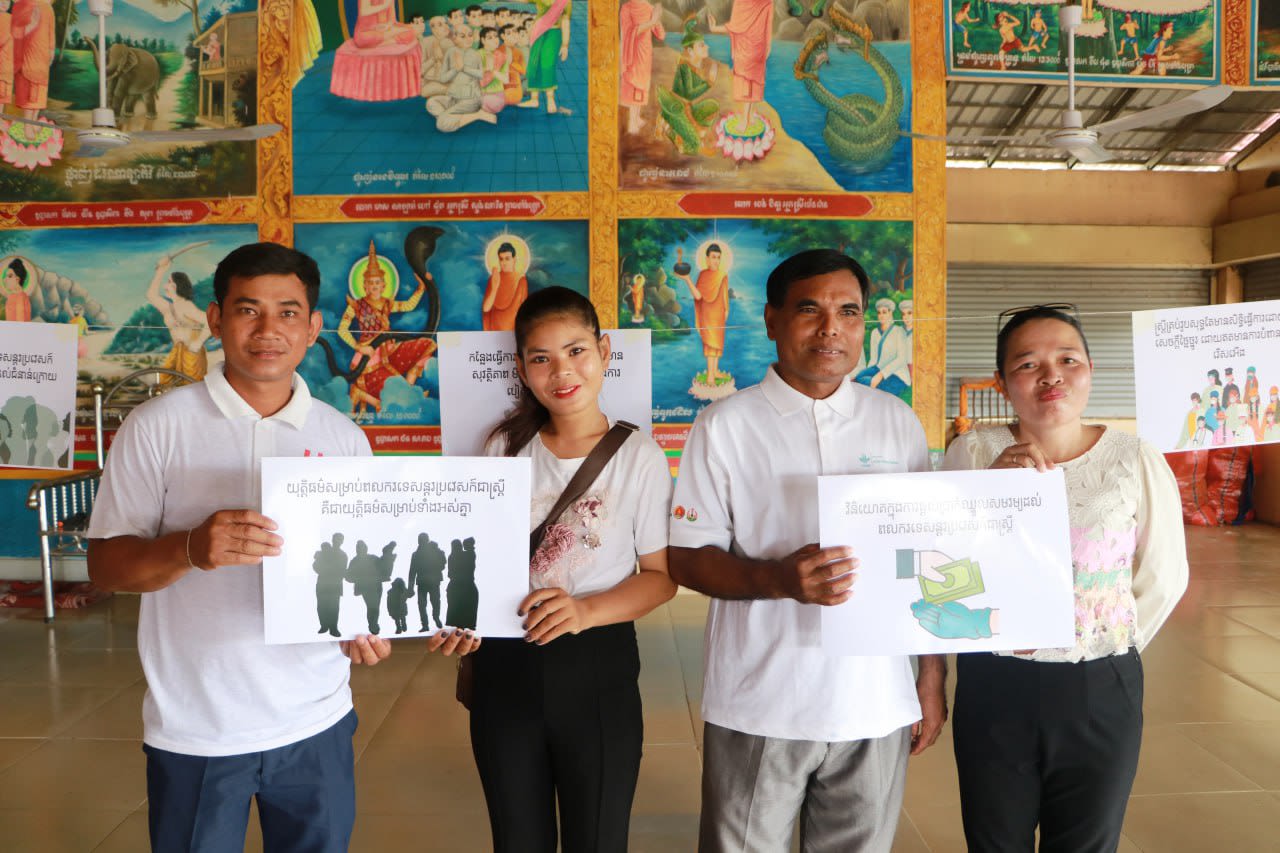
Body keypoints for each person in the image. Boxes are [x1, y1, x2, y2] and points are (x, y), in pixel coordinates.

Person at [85, 242, 482, 852]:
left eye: (288, 312)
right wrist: (191, 548)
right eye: (248, 310)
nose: (268, 330)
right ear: (216, 320)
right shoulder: (158, 426)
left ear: (314, 326)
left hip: (316, 721)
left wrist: (363, 625)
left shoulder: (342, 436)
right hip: (198, 729)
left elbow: (359, 572)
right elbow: (107, 567)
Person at [668, 249, 945, 852]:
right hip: (761, 700)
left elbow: (924, 555)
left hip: (876, 701)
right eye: (809, 310)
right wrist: (779, 580)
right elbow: (688, 556)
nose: (831, 328)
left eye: (849, 312)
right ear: (770, 320)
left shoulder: (896, 422)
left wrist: (930, 675)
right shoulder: (725, 426)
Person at [941, 304, 1188, 853]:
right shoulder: (972, 453)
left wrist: (1102, 641)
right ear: (1004, 385)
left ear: (1090, 371)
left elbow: (1164, 573)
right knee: (993, 839)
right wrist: (992, 494)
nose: (1051, 375)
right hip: (996, 681)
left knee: (1086, 841)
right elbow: (946, 563)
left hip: (1102, 684)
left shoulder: (1135, 458)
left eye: (1067, 359)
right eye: (1027, 364)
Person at [470, 286, 676, 852]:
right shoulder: (502, 448)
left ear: (605, 351)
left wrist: (583, 610)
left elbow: (660, 578)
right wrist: (457, 618)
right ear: (520, 368)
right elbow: (478, 561)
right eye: (541, 358)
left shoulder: (639, 456)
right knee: (517, 838)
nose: (562, 371)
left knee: (599, 838)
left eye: (577, 350)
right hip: (506, 669)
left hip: (598, 668)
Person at [336, 241, 436, 418]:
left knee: (425, 344)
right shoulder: (357, 305)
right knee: (392, 393)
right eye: (370, 283)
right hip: (369, 360)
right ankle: (399, 394)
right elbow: (342, 329)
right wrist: (358, 347)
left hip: (388, 352)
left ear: (384, 285)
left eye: (378, 282)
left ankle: (409, 389)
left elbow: (408, 306)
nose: (374, 286)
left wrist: (421, 289)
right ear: (365, 286)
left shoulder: (387, 304)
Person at [146, 254, 212, 384]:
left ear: (177, 286)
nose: (166, 286)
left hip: (191, 355)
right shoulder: (169, 307)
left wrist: (198, 343)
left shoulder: (186, 306)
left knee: (190, 388)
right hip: (176, 352)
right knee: (167, 385)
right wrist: (162, 270)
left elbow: (210, 322)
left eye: (169, 282)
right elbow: (151, 295)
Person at [707, 0, 772, 131]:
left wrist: (714, 28)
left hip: (747, 48)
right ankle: (751, 116)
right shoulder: (767, 2)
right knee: (753, 80)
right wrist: (767, 48)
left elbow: (735, 27)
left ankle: (745, 120)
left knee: (746, 81)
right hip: (759, 47)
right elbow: (767, 28)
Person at [672, 243, 730, 388]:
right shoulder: (703, 275)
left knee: (718, 344)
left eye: (718, 257)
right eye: (713, 257)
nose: (716, 260)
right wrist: (687, 279)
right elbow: (698, 296)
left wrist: (726, 310)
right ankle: (710, 376)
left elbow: (724, 295)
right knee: (710, 344)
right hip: (707, 314)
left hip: (719, 313)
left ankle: (715, 371)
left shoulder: (723, 275)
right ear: (707, 259)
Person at [619, 0, 665, 135]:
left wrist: (657, 18)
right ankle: (632, 122)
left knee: (642, 84)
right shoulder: (626, 8)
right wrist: (651, 22)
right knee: (634, 84)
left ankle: (637, 117)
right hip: (632, 52)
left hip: (645, 53)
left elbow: (661, 35)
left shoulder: (649, 7)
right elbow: (628, 33)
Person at [519, 0, 572, 115]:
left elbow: (565, 22)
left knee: (547, 65)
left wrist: (565, 45)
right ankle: (534, 99)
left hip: (553, 33)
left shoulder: (565, 1)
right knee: (534, 63)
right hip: (537, 31)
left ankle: (550, 99)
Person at [855, 297, 910, 396]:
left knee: (870, 383)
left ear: (890, 313)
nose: (881, 315)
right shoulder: (875, 333)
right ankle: (873, 386)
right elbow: (873, 359)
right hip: (878, 368)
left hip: (897, 373)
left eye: (884, 312)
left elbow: (901, 359)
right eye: (879, 312)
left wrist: (880, 375)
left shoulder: (899, 331)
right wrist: (869, 372)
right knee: (858, 377)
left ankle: (876, 388)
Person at [482, 241, 528, 331]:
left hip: (513, 331)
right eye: (501, 259)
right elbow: (486, 309)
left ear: (514, 259)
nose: (504, 262)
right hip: (494, 330)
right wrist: (495, 287)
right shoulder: (494, 278)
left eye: (507, 258)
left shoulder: (521, 280)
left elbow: (524, 312)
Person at [2, 256, 31, 321]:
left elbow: (20, 325)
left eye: (9, 276)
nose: (4, 280)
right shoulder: (12, 296)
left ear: (17, 279)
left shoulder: (21, 298)